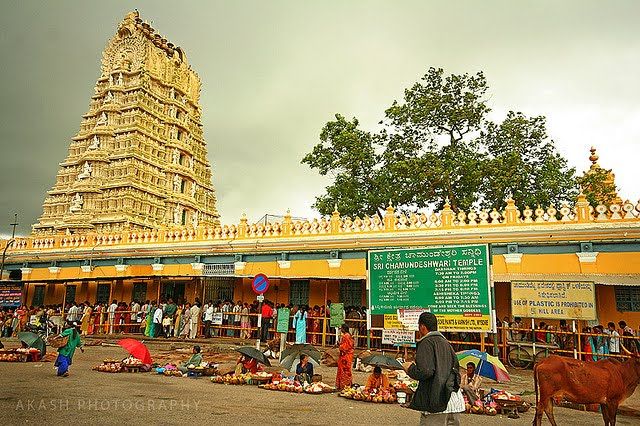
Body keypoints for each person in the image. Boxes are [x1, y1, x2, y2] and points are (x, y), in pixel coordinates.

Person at [404, 312, 464, 425]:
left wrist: (409, 368)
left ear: (422, 327)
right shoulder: (446, 343)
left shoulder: (426, 342)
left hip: (436, 400)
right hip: (452, 400)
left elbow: (426, 371)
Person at [335, 324, 354, 390]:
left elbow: (346, 347)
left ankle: (344, 385)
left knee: (344, 370)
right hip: (347, 355)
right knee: (346, 370)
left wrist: (339, 346)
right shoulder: (348, 335)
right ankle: (346, 384)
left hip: (345, 355)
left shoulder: (346, 336)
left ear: (343, 329)